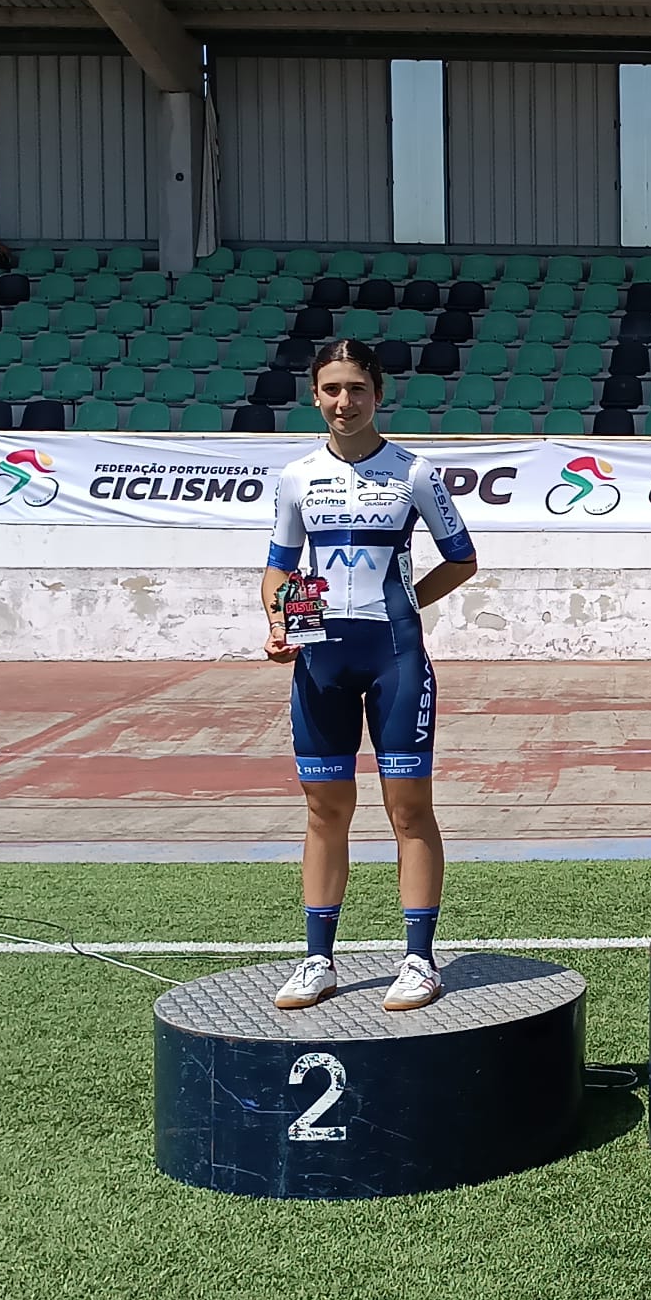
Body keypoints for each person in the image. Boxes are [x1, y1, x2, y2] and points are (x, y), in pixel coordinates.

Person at [261, 339, 479, 1012]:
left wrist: (409, 601)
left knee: (408, 809)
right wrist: (277, 621)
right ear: (314, 395)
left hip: (395, 658)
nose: (343, 402)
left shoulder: (414, 473)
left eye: (356, 389)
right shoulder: (295, 477)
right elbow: (278, 567)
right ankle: (318, 960)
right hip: (320, 661)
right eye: (331, 389)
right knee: (325, 809)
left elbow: (461, 558)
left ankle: (418, 960)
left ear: (377, 395)